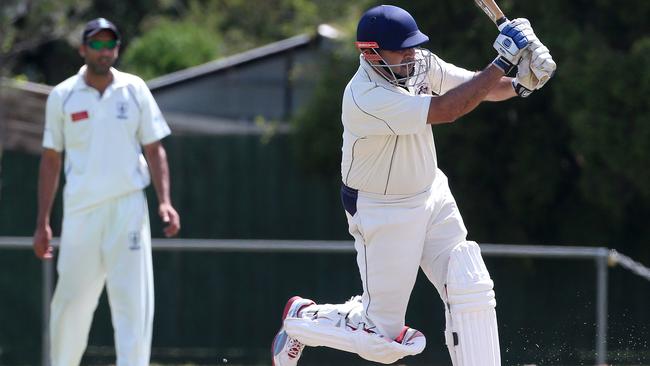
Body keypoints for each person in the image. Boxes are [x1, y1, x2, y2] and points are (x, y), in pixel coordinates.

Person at [272, 5, 555, 366]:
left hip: (431, 191)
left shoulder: (418, 62)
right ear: (370, 52)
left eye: (413, 45)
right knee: (383, 343)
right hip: (384, 210)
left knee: (470, 284)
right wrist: (503, 60)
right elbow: (447, 110)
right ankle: (303, 320)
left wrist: (520, 84)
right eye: (401, 48)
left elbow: (473, 87)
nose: (412, 54)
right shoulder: (365, 96)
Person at [32, 18, 180, 366]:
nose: (103, 51)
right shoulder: (63, 96)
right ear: (83, 49)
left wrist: (165, 202)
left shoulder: (135, 89)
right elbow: (51, 159)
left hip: (128, 208)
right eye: (95, 44)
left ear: (117, 48)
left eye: (109, 44)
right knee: (71, 305)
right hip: (81, 211)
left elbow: (154, 148)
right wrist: (42, 223)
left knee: (133, 304)